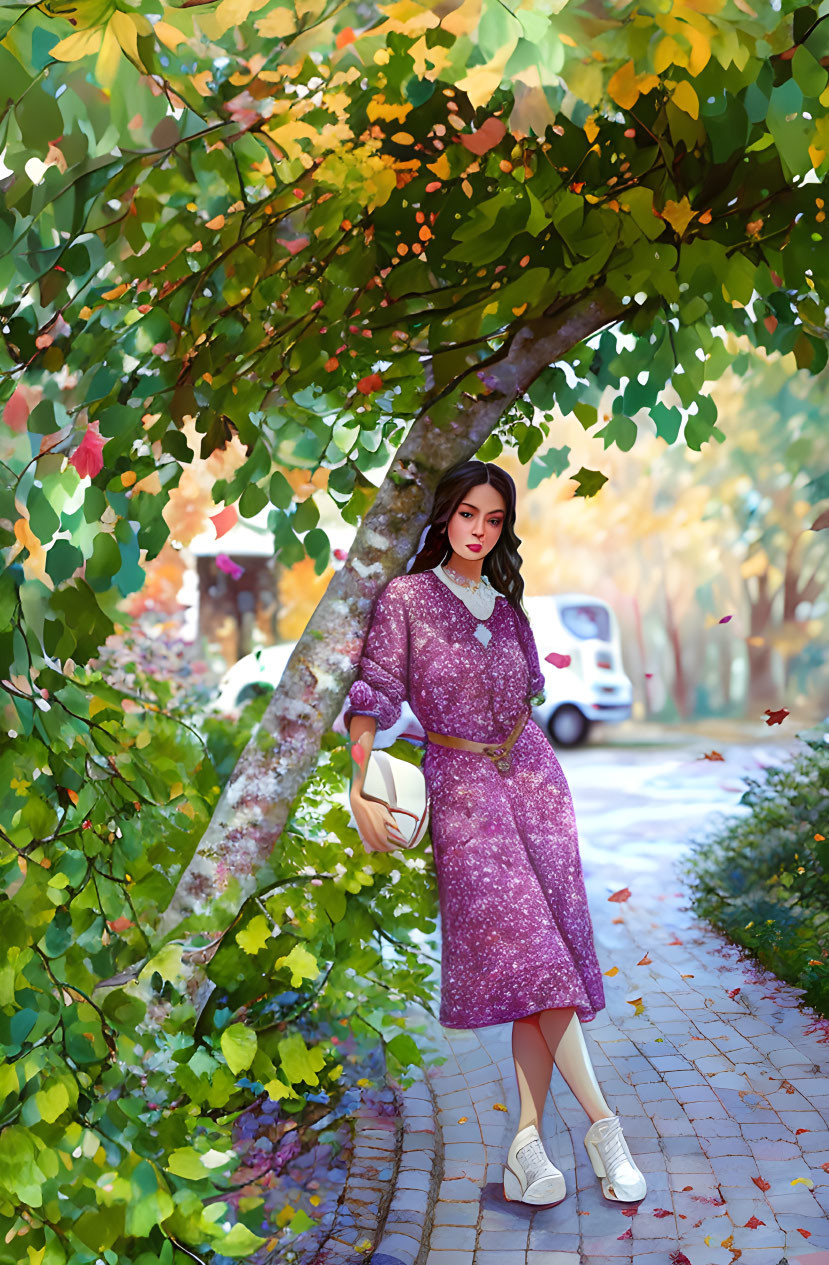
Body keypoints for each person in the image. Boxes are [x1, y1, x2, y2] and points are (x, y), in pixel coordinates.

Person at [345, 459, 647, 1208]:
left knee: (539, 975)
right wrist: (358, 770)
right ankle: (604, 1126)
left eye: (494, 520)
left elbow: (528, 700)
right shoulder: (406, 598)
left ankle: (525, 1146)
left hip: (538, 786)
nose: (479, 531)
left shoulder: (509, 610)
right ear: (445, 515)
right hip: (462, 792)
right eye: (467, 514)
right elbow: (377, 690)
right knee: (537, 961)